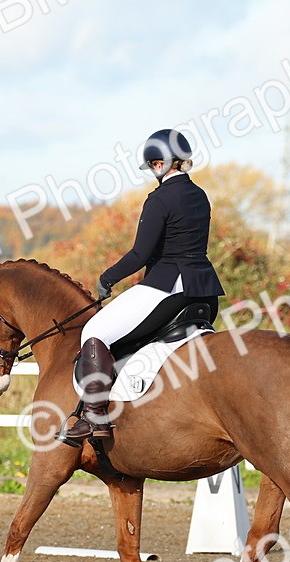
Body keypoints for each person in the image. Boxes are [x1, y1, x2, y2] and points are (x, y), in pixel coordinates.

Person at [61, 129, 225, 444]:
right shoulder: (199, 195)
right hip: (204, 290)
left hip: (168, 287)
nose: (152, 171)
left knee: (94, 334)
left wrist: (107, 278)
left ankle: (95, 418)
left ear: (159, 163)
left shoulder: (159, 198)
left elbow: (141, 253)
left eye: (152, 165)